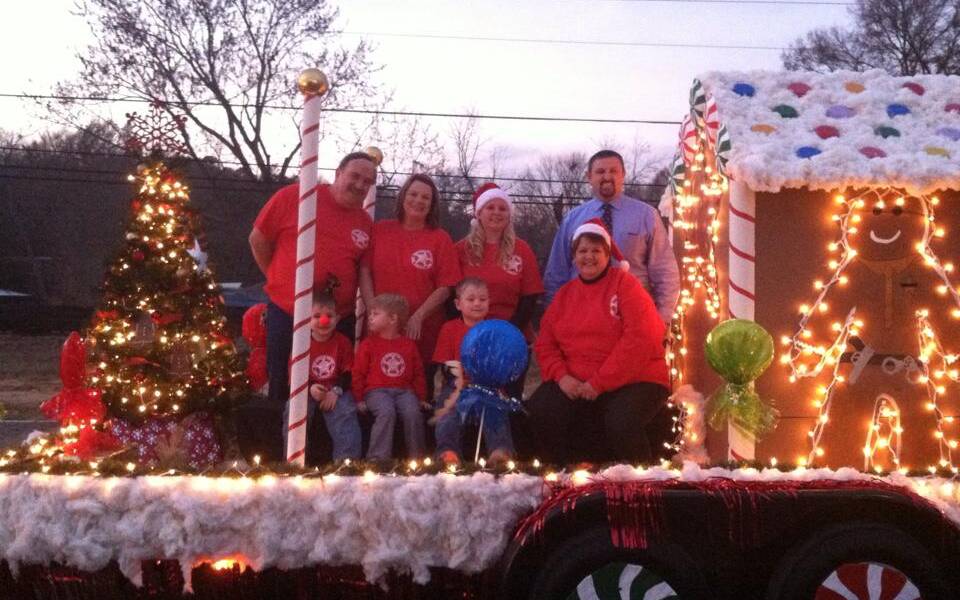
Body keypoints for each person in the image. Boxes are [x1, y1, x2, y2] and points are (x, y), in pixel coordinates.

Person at [529, 219, 670, 465]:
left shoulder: (626, 285)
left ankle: (644, 482)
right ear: (574, 257)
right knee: (542, 409)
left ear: (608, 255)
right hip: (576, 380)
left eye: (596, 250)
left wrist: (599, 382)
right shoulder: (565, 295)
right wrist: (562, 377)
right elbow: (545, 344)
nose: (589, 257)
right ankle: (561, 476)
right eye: (583, 251)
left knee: (621, 420)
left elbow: (641, 339)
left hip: (635, 378)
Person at [249, 152, 376, 418]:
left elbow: (363, 269)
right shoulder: (296, 197)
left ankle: (324, 450)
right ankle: (281, 451)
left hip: (337, 318)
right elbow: (258, 239)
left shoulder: (364, 222)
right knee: (284, 381)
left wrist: (373, 308)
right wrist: (276, 276)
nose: (361, 185)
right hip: (289, 312)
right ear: (338, 172)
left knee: (334, 385)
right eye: (355, 176)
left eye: (368, 181)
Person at [543, 150, 680, 324]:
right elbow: (556, 274)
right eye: (600, 172)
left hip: (634, 316)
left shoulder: (646, 215)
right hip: (582, 319)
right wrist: (554, 319)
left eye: (613, 171)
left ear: (623, 175)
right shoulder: (572, 219)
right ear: (589, 177)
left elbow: (665, 272)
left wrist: (662, 320)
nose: (607, 176)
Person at [359, 174, 461, 400]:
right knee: (377, 389)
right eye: (413, 194)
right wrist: (372, 310)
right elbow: (364, 270)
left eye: (426, 197)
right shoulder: (381, 230)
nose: (418, 200)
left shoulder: (440, 238)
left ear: (432, 204)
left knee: (417, 395)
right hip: (381, 329)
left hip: (422, 332)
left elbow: (447, 285)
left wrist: (418, 317)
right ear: (403, 196)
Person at [456, 183, 543, 399]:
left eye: (502, 208)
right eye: (490, 207)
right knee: (471, 401)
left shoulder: (522, 249)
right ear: (479, 213)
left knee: (507, 401)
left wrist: (505, 334)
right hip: (471, 337)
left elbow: (530, 297)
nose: (496, 213)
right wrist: (475, 334)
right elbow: (452, 296)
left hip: (512, 335)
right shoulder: (460, 250)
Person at [431, 277, 514, 466]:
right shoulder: (449, 329)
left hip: (489, 384)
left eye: (482, 299)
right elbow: (445, 365)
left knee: (495, 407)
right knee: (447, 410)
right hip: (458, 384)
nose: (477, 303)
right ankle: (447, 452)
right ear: (458, 304)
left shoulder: (495, 330)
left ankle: (500, 451)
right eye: (471, 299)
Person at [281, 286, 361, 462]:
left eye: (329, 316)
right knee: (292, 411)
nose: (323, 321)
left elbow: (349, 372)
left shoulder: (343, 342)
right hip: (307, 389)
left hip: (335, 389)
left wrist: (335, 391)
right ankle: (293, 462)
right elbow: (293, 376)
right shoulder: (300, 343)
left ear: (337, 318)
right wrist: (309, 389)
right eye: (316, 316)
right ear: (306, 319)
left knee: (346, 411)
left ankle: (347, 464)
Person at [353, 293, 428, 460]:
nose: (370, 318)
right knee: (386, 412)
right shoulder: (368, 344)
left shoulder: (408, 345)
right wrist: (358, 399)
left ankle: (418, 459)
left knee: (413, 413)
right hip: (376, 391)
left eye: (375, 314)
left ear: (392, 318)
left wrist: (421, 397)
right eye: (370, 314)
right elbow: (358, 373)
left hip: (404, 391)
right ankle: (378, 459)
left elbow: (418, 373)